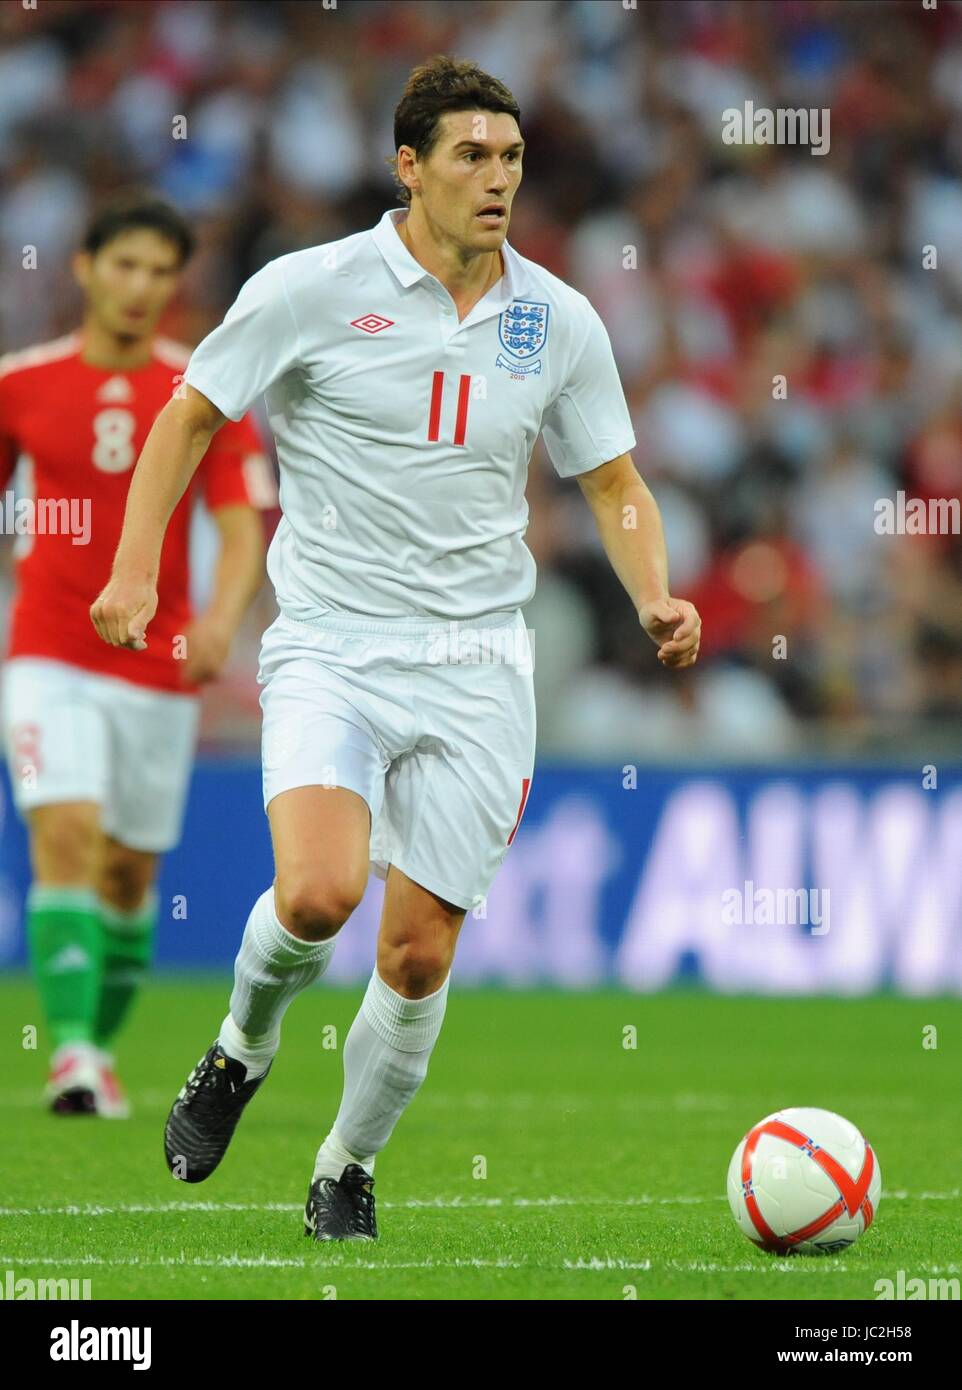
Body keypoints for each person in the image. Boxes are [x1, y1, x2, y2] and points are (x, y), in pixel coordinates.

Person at [90, 58, 700, 1239]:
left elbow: (615, 482)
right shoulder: (307, 289)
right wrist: (131, 565)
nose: (497, 179)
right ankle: (237, 1047)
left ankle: (344, 1165)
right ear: (406, 165)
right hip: (330, 644)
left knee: (417, 957)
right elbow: (189, 416)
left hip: (479, 665)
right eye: (470, 155)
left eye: (511, 158)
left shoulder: (555, 318)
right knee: (316, 895)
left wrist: (655, 595)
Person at [0, 190, 273, 1117]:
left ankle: (97, 1048)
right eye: (124, 265)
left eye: (160, 271)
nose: (140, 286)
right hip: (45, 652)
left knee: (128, 873)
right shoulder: (19, 383)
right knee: (65, 832)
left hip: (159, 663)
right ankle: (72, 1053)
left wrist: (222, 624)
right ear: (83, 268)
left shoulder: (202, 392)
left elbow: (242, 529)